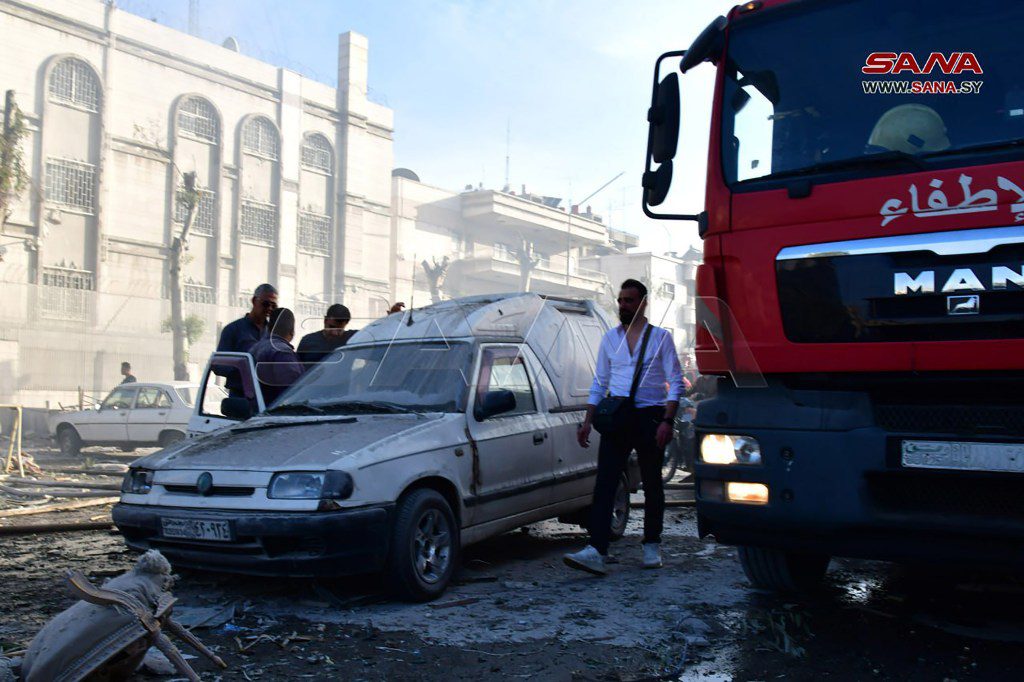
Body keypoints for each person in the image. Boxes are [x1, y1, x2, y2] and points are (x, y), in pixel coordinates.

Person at [564, 278, 684, 576]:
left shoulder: (660, 339)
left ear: (643, 303)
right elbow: (599, 382)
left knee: (652, 483)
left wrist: (668, 421)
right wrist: (587, 420)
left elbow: (677, 382)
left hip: (650, 416)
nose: (623, 306)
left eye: (629, 301)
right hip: (617, 415)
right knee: (605, 481)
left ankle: (652, 544)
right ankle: (597, 549)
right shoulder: (609, 339)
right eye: (620, 300)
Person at [216, 283, 278, 396]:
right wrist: (243, 369)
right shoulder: (233, 330)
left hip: (266, 397)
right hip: (240, 395)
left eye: (273, 306)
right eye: (265, 304)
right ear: (254, 301)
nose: (269, 309)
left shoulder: (273, 334)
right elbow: (218, 365)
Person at [250, 308, 304, 405]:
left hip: (255, 410)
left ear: (269, 328)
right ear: (292, 332)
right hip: (275, 414)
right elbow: (293, 393)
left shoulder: (255, 348)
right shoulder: (283, 353)